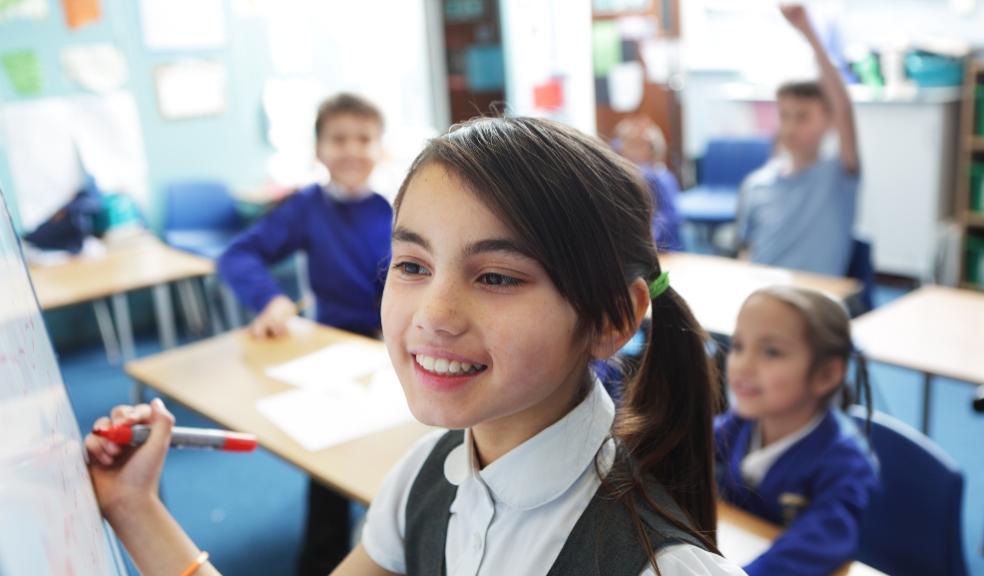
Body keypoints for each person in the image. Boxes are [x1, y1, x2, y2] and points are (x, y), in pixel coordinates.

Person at [86, 117, 746, 575]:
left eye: (495, 277)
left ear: (611, 319)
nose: (432, 315)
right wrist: (132, 507)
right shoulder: (425, 477)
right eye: (411, 265)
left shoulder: (664, 567)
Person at [217, 92, 392, 575]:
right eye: (338, 139)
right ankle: (319, 560)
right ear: (318, 149)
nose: (352, 149)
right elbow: (238, 256)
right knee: (330, 454)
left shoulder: (396, 208)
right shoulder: (306, 208)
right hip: (330, 345)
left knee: (399, 449)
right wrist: (270, 299)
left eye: (364, 138)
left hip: (392, 347)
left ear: (382, 148)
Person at [715, 286, 878, 575]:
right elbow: (681, 450)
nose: (743, 365)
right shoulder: (740, 423)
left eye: (771, 352)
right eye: (738, 346)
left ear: (826, 374)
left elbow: (819, 543)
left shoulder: (845, 463)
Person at [736, 4, 860, 276]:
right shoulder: (756, 185)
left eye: (802, 117)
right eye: (785, 115)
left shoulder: (837, 176)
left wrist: (809, 34)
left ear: (829, 121)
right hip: (764, 295)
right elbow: (747, 252)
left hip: (813, 303)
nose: (790, 126)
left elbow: (844, 110)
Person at [614, 115, 683, 251]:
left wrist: (645, 238)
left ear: (652, 150)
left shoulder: (660, 179)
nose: (627, 150)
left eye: (638, 145)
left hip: (661, 250)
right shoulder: (622, 178)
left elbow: (669, 221)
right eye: (628, 144)